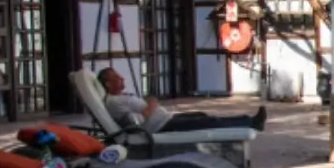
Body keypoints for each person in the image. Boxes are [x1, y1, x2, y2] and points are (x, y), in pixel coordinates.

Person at [96, 67, 267, 134]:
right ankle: (251, 122)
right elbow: (136, 122)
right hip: (160, 127)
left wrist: (150, 103)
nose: (122, 80)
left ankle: (249, 121)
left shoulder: (119, 97)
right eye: (118, 79)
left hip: (166, 119)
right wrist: (152, 104)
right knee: (208, 122)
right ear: (108, 84)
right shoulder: (113, 103)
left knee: (202, 115)